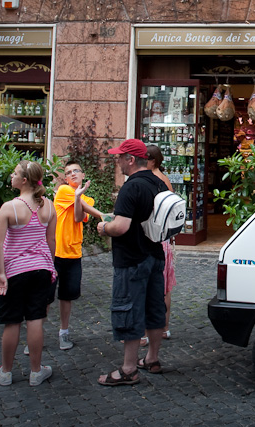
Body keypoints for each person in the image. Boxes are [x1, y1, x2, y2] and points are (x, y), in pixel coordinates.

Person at [96, 139, 167, 386]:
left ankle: (128, 369)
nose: (117, 162)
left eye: (119, 157)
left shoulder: (131, 187)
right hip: (155, 254)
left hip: (132, 258)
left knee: (130, 309)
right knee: (155, 309)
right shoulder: (158, 183)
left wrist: (105, 227)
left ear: (131, 160)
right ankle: (152, 359)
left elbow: (121, 226)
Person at [0, 160, 57, 387]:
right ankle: (36, 371)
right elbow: (51, 241)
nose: (11, 175)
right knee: (36, 319)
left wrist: (0, 274)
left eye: (15, 173)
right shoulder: (48, 205)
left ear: (24, 180)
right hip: (41, 269)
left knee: (12, 321)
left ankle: (5, 372)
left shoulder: (9, 208)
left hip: (15, 271)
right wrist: (51, 266)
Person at [52, 161, 104, 351]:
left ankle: (63, 333)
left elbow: (76, 216)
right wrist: (104, 216)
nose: (72, 174)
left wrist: (78, 196)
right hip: (55, 252)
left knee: (67, 296)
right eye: (68, 172)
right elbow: (80, 206)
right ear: (65, 178)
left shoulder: (86, 199)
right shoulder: (64, 190)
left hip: (73, 253)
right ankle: (36, 334)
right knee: (46, 297)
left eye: (76, 171)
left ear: (83, 175)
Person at [143, 144, 175, 346]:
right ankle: (164, 328)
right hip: (165, 237)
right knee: (166, 286)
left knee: (152, 286)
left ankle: (146, 333)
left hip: (153, 236)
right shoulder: (166, 180)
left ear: (152, 160)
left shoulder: (151, 181)